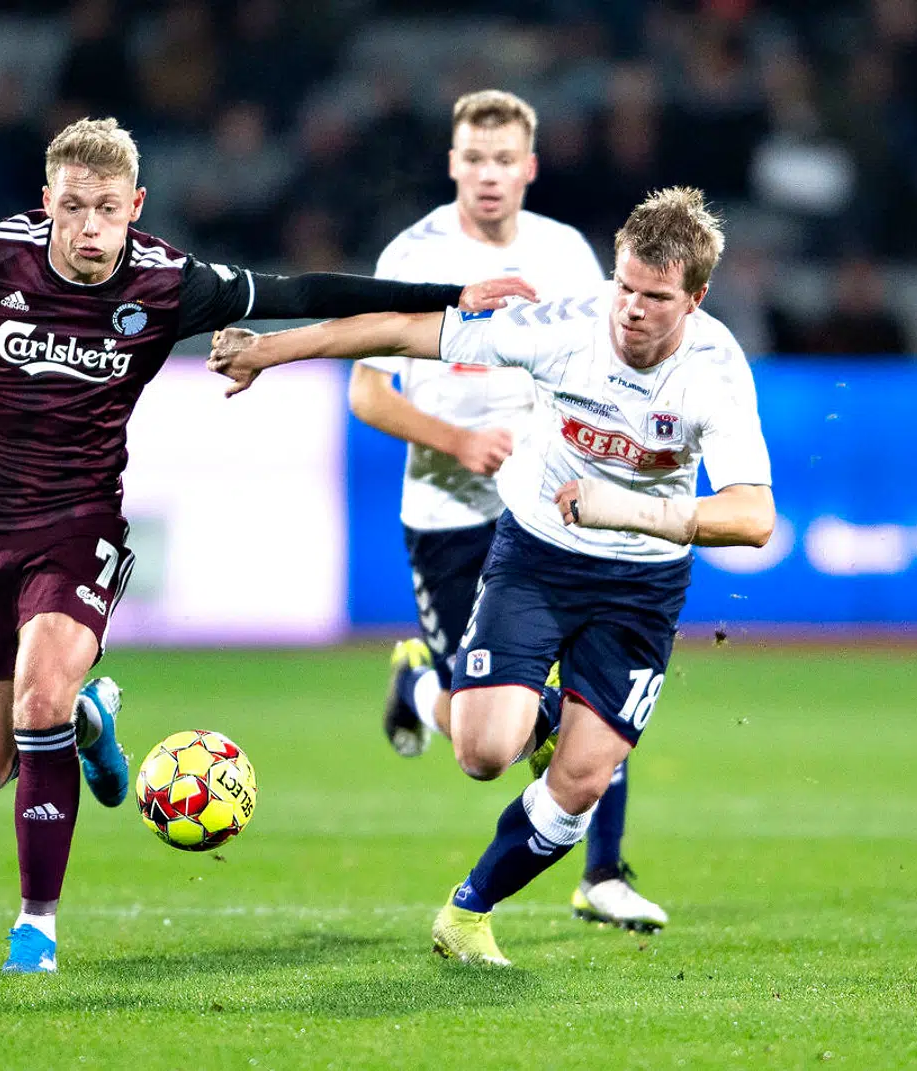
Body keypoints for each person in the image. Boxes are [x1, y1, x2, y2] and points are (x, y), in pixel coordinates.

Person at [0, 117, 531, 975]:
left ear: (136, 206)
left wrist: (451, 295)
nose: (90, 228)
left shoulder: (169, 282)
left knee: (39, 696)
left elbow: (305, 290)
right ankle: (90, 720)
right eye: (74, 207)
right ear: (46, 201)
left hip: (76, 521)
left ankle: (36, 928)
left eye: (108, 210)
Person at [209, 187, 774, 966]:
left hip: (641, 587)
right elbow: (403, 331)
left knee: (581, 780)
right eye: (625, 286)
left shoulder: (715, 370)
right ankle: (444, 692)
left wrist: (626, 509)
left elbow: (753, 516)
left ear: (696, 298)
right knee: (482, 752)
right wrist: (272, 350)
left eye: (656, 297)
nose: (632, 309)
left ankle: (469, 911)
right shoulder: (564, 326)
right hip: (538, 558)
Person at [350, 89, 666, 932]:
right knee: (489, 733)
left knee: (592, 686)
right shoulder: (412, 255)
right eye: (474, 159)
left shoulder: (565, 254)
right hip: (450, 518)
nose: (488, 175)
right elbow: (367, 392)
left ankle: (603, 873)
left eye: (503, 160)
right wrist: (455, 440)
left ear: (529, 167)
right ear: (453, 163)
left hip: (550, 511)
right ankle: (421, 686)